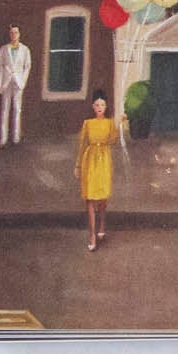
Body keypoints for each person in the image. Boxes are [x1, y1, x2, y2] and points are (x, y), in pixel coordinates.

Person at [76, 94, 118, 250]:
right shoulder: (87, 123)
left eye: (102, 105)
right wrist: (78, 165)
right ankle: (92, 235)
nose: (100, 108)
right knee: (90, 197)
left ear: (106, 107)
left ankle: (102, 225)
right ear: (93, 107)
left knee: (102, 197)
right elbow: (82, 144)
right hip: (90, 160)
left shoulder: (109, 123)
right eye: (97, 105)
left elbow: (113, 139)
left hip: (104, 160)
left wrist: (119, 124)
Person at [0, 24, 32, 146]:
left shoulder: (25, 50)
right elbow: (0, 67)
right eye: (11, 33)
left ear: (19, 34)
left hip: (18, 82)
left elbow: (27, 67)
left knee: (17, 109)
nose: (13, 35)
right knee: (5, 109)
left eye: (16, 32)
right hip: (6, 82)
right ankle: (3, 138)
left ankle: (16, 137)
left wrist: (23, 81)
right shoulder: (3, 49)